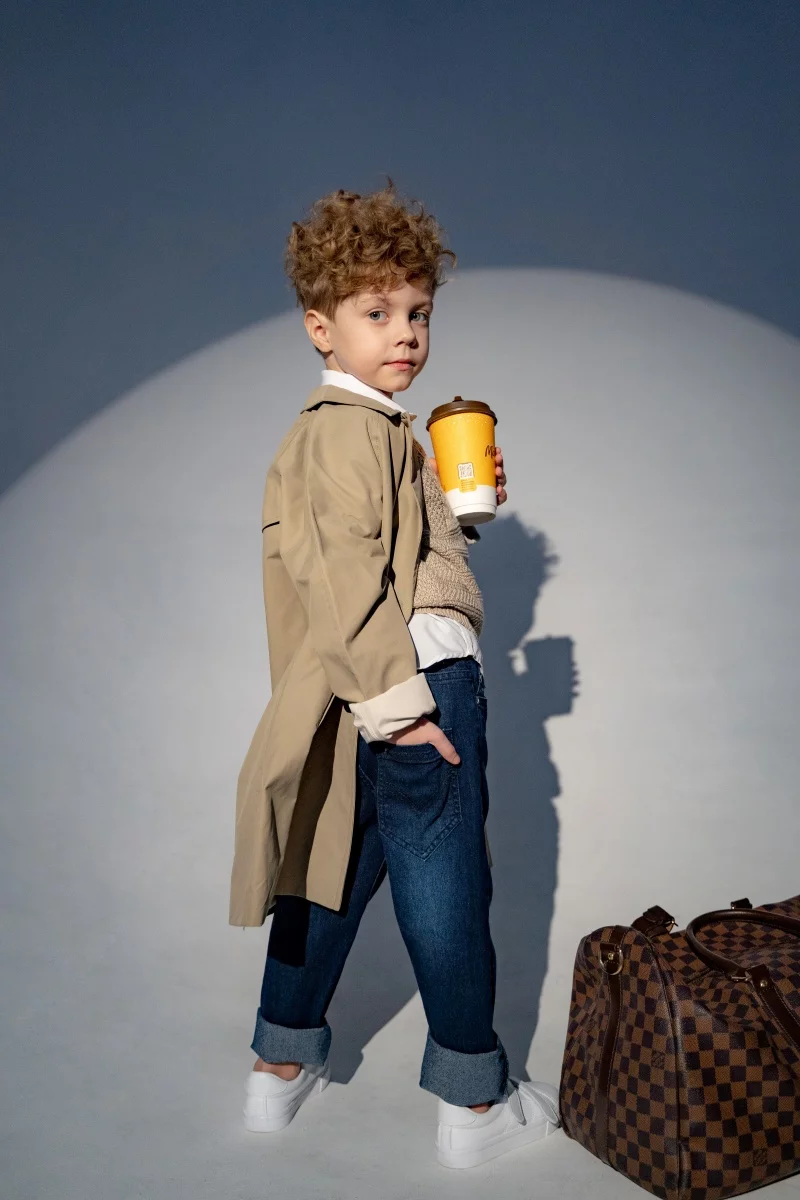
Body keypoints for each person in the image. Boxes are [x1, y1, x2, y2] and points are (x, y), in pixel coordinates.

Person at [230, 177, 561, 1168]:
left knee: (330, 874)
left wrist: (453, 512)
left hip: (363, 694)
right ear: (319, 327)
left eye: (417, 312)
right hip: (413, 688)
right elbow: (342, 579)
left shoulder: (375, 431)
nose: (405, 333)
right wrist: (405, 710)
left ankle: (278, 1067)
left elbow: (383, 556)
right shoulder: (345, 430)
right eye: (375, 312)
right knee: (446, 890)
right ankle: (474, 1102)